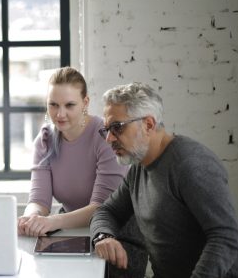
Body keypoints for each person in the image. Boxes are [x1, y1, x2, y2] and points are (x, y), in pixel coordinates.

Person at [91, 82, 238, 277]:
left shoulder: (190, 164)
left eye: (117, 128)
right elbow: (108, 211)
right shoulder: (139, 168)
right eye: (106, 129)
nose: (109, 139)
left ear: (148, 124)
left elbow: (226, 237)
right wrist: (103, 236)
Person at [17, 67, 148, 277]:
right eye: (53, 105)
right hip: (71, 230)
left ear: (85, 103)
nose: (60, 114)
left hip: (117, 234)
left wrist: (51, 221)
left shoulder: (106, 138)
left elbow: (101, 209)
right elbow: (39, 201)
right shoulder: (44, 141)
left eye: (69, 105)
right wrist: (30, 218)